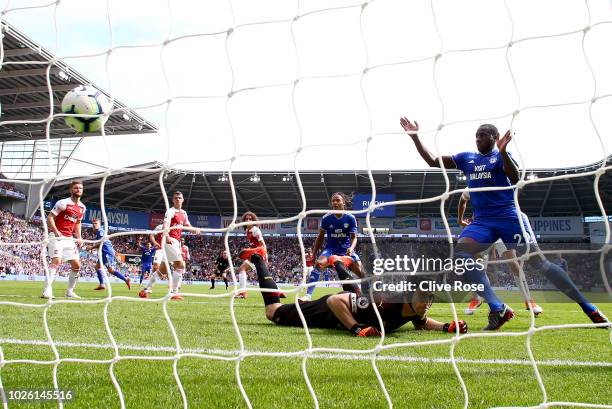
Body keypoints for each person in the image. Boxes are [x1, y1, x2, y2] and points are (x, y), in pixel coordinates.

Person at [400, 118, 608, 329]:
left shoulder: (500, 157)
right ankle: (498, 307)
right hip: (482, 222)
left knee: (540, 263)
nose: (478, 139)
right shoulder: (466, 158)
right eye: (477, 135)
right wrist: (415, 137)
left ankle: (589, 307)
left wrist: (504, 152)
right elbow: (433, 161)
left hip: (509, 217)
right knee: (461, 256)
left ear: (495, 138)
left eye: (483, 135)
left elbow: (515, 177)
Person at [253, 251, 467, 336]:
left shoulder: (415, 307)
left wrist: (447, 326)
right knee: (273, 311)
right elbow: (336, 301)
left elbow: (421, 322)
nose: (428, 302)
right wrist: (357, 329)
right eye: (425, 296)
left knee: (357, 291)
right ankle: (258, 259)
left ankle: (337, 262)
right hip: (327, 311)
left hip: (359, 303)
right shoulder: (386, 302)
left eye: (431, 297)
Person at [458, 190, 543, 316]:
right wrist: (460, 219)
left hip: (502, 226)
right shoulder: (475, 181)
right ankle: (477, 298)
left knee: (513, 263)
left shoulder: (502, 183)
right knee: (477, 266)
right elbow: (462, 199)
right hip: (481, 227)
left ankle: (528, 300)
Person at [299, 193, 364, 302]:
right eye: (333, 201)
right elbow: (320, 237)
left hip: (346, 250)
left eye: (337, 200)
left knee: (362, 272)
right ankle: (308, 296)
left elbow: (354, 237)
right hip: (331, 249)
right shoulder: (326, 218)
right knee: (319, 264)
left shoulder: (350, 217)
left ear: (343, 202)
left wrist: (351, 248)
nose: (335, 203)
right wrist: (314, 253)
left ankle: (374, 293)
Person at [42, 180, 86, 299]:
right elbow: (50, 217)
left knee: (77, 265)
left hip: (69, 238)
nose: (78, 190)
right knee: (56, 260)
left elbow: (77, 223)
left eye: (80, 188)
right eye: (76, 188)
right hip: (57, 236)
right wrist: (56, 231)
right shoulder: (63, 203)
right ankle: (47, 290)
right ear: (71, 190)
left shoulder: (82, 207)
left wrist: (79, 237)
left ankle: (70, 291)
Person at [90, 218, 131, 291]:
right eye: (93, 223)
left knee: (110, 270)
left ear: (99, 224)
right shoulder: (98, 232)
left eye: (96, 223)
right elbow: (107, 242)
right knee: (97, 267)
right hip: (105, 252)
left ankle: (126, 279)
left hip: (107, 252)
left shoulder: (100, 231)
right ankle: (102, 284)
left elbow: (101, 243)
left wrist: (91, 247)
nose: (94, 225)